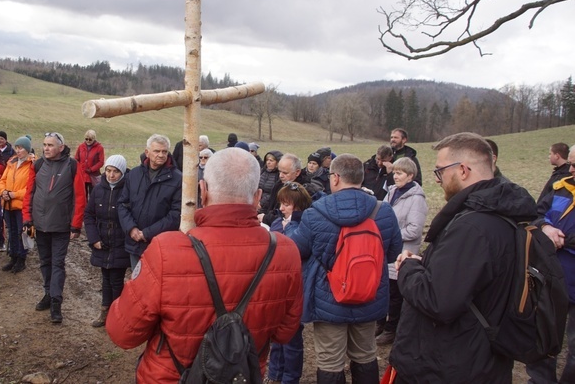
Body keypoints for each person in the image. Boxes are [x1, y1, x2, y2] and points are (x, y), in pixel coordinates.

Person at [106, 147, 303, 383]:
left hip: (170, 377)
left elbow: (123, 332)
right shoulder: (285, 252)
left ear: (203, 190)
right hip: (242, 376)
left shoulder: (166, 250)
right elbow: (284, 333)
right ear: (258, 196)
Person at [389, 132, 538, 383]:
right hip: (481, 356)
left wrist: (408, 268)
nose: (437, 180)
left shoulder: (472, 227)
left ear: (463, 170)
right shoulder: (501, 214)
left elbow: (439, 302)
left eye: (440, 171)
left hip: (452, 363)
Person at [284, 154, 401, 384]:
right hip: (369, 295)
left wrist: (291, 227)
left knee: (329, 360)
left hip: (330, 300)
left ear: (335, 178)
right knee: (366, 355)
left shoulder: (314, 213)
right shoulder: (384, 211)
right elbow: (394, 252)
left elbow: (297, 250)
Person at [22, 132, 85, 323]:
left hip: (61, 226)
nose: (46, 148)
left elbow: (80, 197)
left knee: (57, 264)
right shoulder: (38, 165)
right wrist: (27, 218)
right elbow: (29, 192)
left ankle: (56, 302)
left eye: (50, 145)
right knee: (44, 262)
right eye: (44, 145)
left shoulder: (72, 166)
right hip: (40, 225)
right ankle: (48, 294)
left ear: (60, 147)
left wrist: (76, 225)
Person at [527, 145, 575, 384]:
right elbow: (535, 214)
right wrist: (545, 228)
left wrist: (565, 240)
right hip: (553, 279)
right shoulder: (560, 188)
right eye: (572, 164)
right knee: (543, 338)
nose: (571, 170)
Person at [374, 157, 427, 346]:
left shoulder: (416, 199)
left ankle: (391, 329)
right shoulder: (391, 192)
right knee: (383, 289)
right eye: (394, 172)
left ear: (410, 176)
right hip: (386, 250)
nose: (395, 176)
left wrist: (391, 235)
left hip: (402, 252)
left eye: (400, 173)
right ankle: (379, 323)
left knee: (396, 294)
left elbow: (414, 229)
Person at [267, 182, 312, 384]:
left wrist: (292, 223)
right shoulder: (279, 222)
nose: (282, 208)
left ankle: (290, 378)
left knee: (292, 337)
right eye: (281, 204)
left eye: (286, 204)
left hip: (296, 288)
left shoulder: (304, 226)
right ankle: (274, 374)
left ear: (298, 206)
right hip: (277, 286)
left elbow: (295, 248)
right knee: (276, 334)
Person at [118, 134, 182, 269]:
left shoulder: (178, 179)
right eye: (157, 151)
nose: (161, 155)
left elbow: (176, 213)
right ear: (147, 152)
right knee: (137, 283)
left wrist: (147, 233)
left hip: (161, 245)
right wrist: (131, 229)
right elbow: (123, 204)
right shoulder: (134, 175)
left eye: (164, 151)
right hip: (135, 242)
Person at [84, 155, 130, 328]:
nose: (111, 175)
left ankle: (117, 315)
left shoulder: (128, 189)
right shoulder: (98, 189)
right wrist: (93, 238)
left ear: (122, 172)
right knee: (105, 277)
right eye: (108, 171)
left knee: (117, 279)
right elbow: (89, 214)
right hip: (102, 239)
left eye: (116, 172)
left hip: (120, 240)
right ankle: (105, 311)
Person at [0, 136, 35, 273]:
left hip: (21, 205)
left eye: (21, 148)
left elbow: (31, 187)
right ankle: (13, 256)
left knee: (22, 233)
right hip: (8, 204)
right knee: (11, 231)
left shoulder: (32, 165)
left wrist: (14, 194)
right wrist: (3, 192)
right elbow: (2, 180)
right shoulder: (11, 162)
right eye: (17, 148)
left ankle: (21, 259)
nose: (18, 151)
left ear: (27, 149)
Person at [258, 153, 323, 226]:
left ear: (297, 172)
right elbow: (270, 203)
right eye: (280, 171)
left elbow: (292, 218)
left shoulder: (303, 191)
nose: (281, 176)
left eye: (285, 173)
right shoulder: (279, 183)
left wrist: (266, 218)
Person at [74, 129, 104, 199]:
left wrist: (91, 169)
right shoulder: (81, 146)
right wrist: (79, 169)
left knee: (93, 195)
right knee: (82, 195)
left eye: (90, 139)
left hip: (93, 175)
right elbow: (76, 159)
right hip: (82, 175)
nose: (88, 141)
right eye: (86, 139)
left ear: (94, 139)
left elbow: (101, 162)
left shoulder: (99, 148)